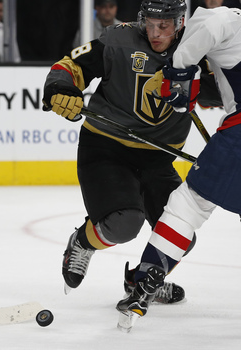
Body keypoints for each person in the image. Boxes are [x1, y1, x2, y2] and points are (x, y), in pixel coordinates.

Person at [42, 0, 222, 301]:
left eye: (163, 25)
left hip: (157, 158)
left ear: (180, 23)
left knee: (181, 233)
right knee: (124, 224)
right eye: (149, 23)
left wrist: (202, 83)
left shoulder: (198, 49)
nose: (154, 32)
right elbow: (70, 66)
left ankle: (142, 281)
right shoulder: (120, 40)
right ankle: (83, 243)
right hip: (107, 148)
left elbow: (223, 91)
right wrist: (62, 89)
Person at [117, 5, 241, 325]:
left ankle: (145, 284)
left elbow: (211, 30)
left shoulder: (219, 17)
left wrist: (179, 74)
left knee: (188, 205)